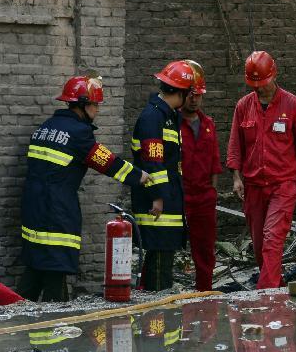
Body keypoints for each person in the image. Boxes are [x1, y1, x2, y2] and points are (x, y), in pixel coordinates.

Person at [19, 75, 150, 301]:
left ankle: (15, 322)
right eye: (95, 105)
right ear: (82, 105)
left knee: (35, 267)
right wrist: (139, 176)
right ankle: (56, 329)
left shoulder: (46, 127)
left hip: (33, 208)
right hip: (56, 210)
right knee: (54, 270)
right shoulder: (78, 133)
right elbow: (106, 161)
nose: (97, 110)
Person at [226, 51, 296, 289]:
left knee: (272, 238)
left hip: (283, 183)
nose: (260, 89)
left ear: (273, 75)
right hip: (254, 184)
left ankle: (266, 294)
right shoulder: (244, 106)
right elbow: (235, 143)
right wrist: (236, 177)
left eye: (263, 83)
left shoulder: (293, 105)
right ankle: (276, 280)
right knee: (259, 243)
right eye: (255, 84)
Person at [131, 60, 195, 291]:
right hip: (157, 204)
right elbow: (152, 160)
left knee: (162, 256)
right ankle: (158, 314)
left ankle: (155, 312)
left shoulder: (167, 116)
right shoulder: (153, 117)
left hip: (167, 200)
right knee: (160, 259)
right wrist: (158, 197)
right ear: (181, 91)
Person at [179, 60, 222, 291]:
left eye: (198, 96)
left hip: (204, 197)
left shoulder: (208, 124)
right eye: (190, 95)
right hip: (179, 195)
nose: (194, 100)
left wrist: (212, 192)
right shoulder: (171, 123)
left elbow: (215, 161)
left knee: (204, 248)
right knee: (166, 244)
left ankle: (204, 290)